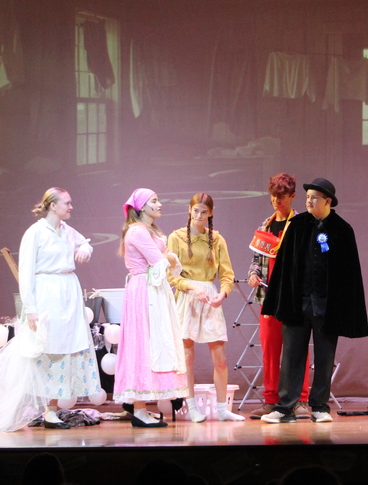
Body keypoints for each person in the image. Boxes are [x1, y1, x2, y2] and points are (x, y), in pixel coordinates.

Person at [261, 177, 368, 423]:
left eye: (314, 198)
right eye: (308, 197)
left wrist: (346, 308)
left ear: (328, 201)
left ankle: (319, 406)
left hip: (326, 306)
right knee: (291, 356)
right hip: (298, 304)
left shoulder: (342, 230)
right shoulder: (297, 225)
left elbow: (349, 274)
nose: (309, 201)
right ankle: (284, 407)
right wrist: (277, 301)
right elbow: (285, 267)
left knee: (324, 357)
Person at [0, 188, 102, 432]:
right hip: (47, 293)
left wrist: (85, 249)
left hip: (68, 292)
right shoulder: (35, 232)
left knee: (66, 349)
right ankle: (44, 409)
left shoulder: (66, 231)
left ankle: (52, 410)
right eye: (66, 203)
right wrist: (31, 309)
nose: (71, 207)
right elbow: (25, 273)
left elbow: (84, 243)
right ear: (53, 206)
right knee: (47, 350)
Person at [113, 188, 189, 428]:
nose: (159, 204)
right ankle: (139, 409)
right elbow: (160, 261)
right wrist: (172, 257)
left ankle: (141, 408)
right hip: (144, 291)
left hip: (154, 289)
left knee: (153, 343)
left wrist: (170, 258)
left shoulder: (150, 230)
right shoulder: (137, 231)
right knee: (143, 344)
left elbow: (164, 260)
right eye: (154, 201)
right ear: (142, 207)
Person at [167, 193, 243, 422]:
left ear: (210, 213)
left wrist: (223, 293)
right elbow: (171, 276)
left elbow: (227, 274)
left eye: (204, 211)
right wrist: (190, 287)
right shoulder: (176, 238)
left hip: (210, 298)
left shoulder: (216, 239)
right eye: (195, 210)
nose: (199, 216)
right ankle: (191, 407)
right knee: (186, 357)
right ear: (189, 210)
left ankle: (222, 409)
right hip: (187, 298)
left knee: (220, 358)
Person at [246, 173, 311, 419]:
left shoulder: (302, 225)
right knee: (270, 351)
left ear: (293, 196)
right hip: (268, 297)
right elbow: (256, 259)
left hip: (294, 298)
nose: (276, 201)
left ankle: (300, 401)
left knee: (297, 349)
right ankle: (271, 400)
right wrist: (253, 274)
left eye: (281, 197)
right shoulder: (266, 224)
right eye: (273, 196)